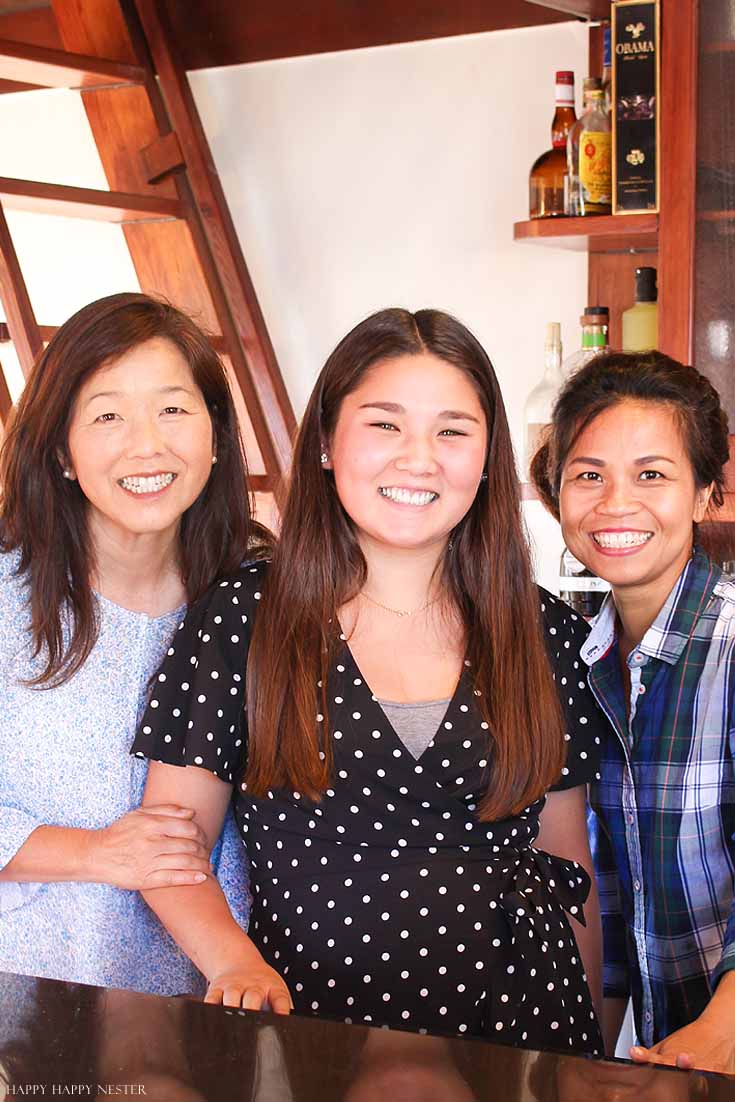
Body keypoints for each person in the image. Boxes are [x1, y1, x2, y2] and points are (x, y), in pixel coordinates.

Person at [133, 307, 604, 1051]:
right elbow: (168, 846)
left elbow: (566, 864)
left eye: (452, 431)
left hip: (521, 1026)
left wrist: (591, 1063)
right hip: (307, 1024)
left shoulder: (544, 632)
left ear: (487, 458)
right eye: (384, 425)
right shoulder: (242, 619)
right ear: (326, 442)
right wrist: (234, 964)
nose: (418, 459)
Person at [0, 292, 269, 995]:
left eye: (173, 409)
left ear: (215, 434)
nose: (146, 444)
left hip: (208, 994)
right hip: (27, 990)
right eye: (107, 414)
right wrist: (97, 853)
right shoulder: (6, 595)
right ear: (60, 448)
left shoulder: (258, 597)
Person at [530, 350, 735, 1073]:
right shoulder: (580, 661)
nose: (615, 504)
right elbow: (610, 898)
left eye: (652, 475)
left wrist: (717, 1035)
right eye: (588, 475)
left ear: (709, 491)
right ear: (554, 493)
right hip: (663, 1058)